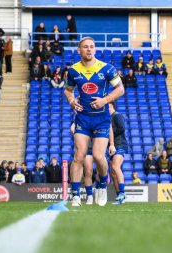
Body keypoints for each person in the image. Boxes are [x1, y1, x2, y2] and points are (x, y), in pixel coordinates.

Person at [64, 37, 124, 207]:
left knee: (98, 156)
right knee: (79, 156)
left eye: (91, 47)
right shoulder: (73, 71)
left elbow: (120, 89)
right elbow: (68, 91)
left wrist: (105, 100)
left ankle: (103, 184)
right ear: (79, 50)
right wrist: (71, 101)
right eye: (85, 47)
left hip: (102, 119)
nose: (89, 49)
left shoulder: (107, 69)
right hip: (83, 118)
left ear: (95, 50)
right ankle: (75, 195)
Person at [109, 102, 128, 205]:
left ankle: (122, 193)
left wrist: (110, 133)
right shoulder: (108, 118)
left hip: (120, 144)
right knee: (113, 172)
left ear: (111, 106)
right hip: (112, 147)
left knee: (116, 167)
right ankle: (119, 197)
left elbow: (121, 128)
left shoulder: (117, 115)